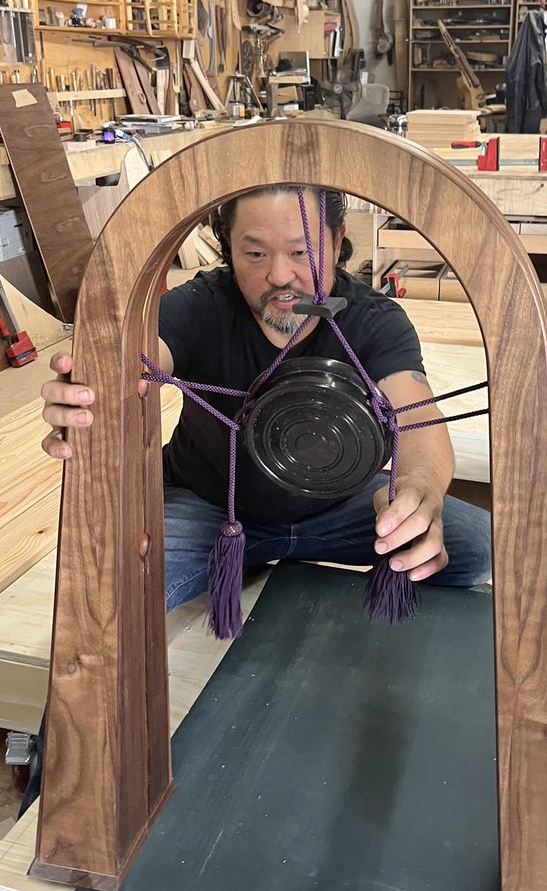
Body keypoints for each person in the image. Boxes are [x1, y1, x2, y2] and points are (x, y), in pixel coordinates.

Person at [41, 185, 491, 610]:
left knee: (474, 547)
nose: (279, 275)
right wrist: (91, 392)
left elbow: (419, 420)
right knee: (109, 593)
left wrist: (419, 493)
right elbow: (134, 361)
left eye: (301, 252)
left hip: (340, 510)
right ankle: (242, 555)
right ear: (228, 248)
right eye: (255, 254)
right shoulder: (199, 305)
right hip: (210, 509)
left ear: (336, 243)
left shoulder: (375, 320)